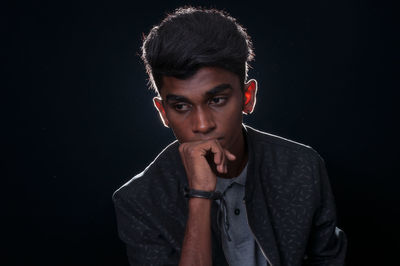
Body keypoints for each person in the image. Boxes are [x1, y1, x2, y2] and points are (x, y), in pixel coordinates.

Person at [112, 6, 347, 266]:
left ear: (247, 97)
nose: (202, 125)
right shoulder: (140, 201)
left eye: (217, 100)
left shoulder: (302, 168)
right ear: (163, 112)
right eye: (181, 106)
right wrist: (200, 195)